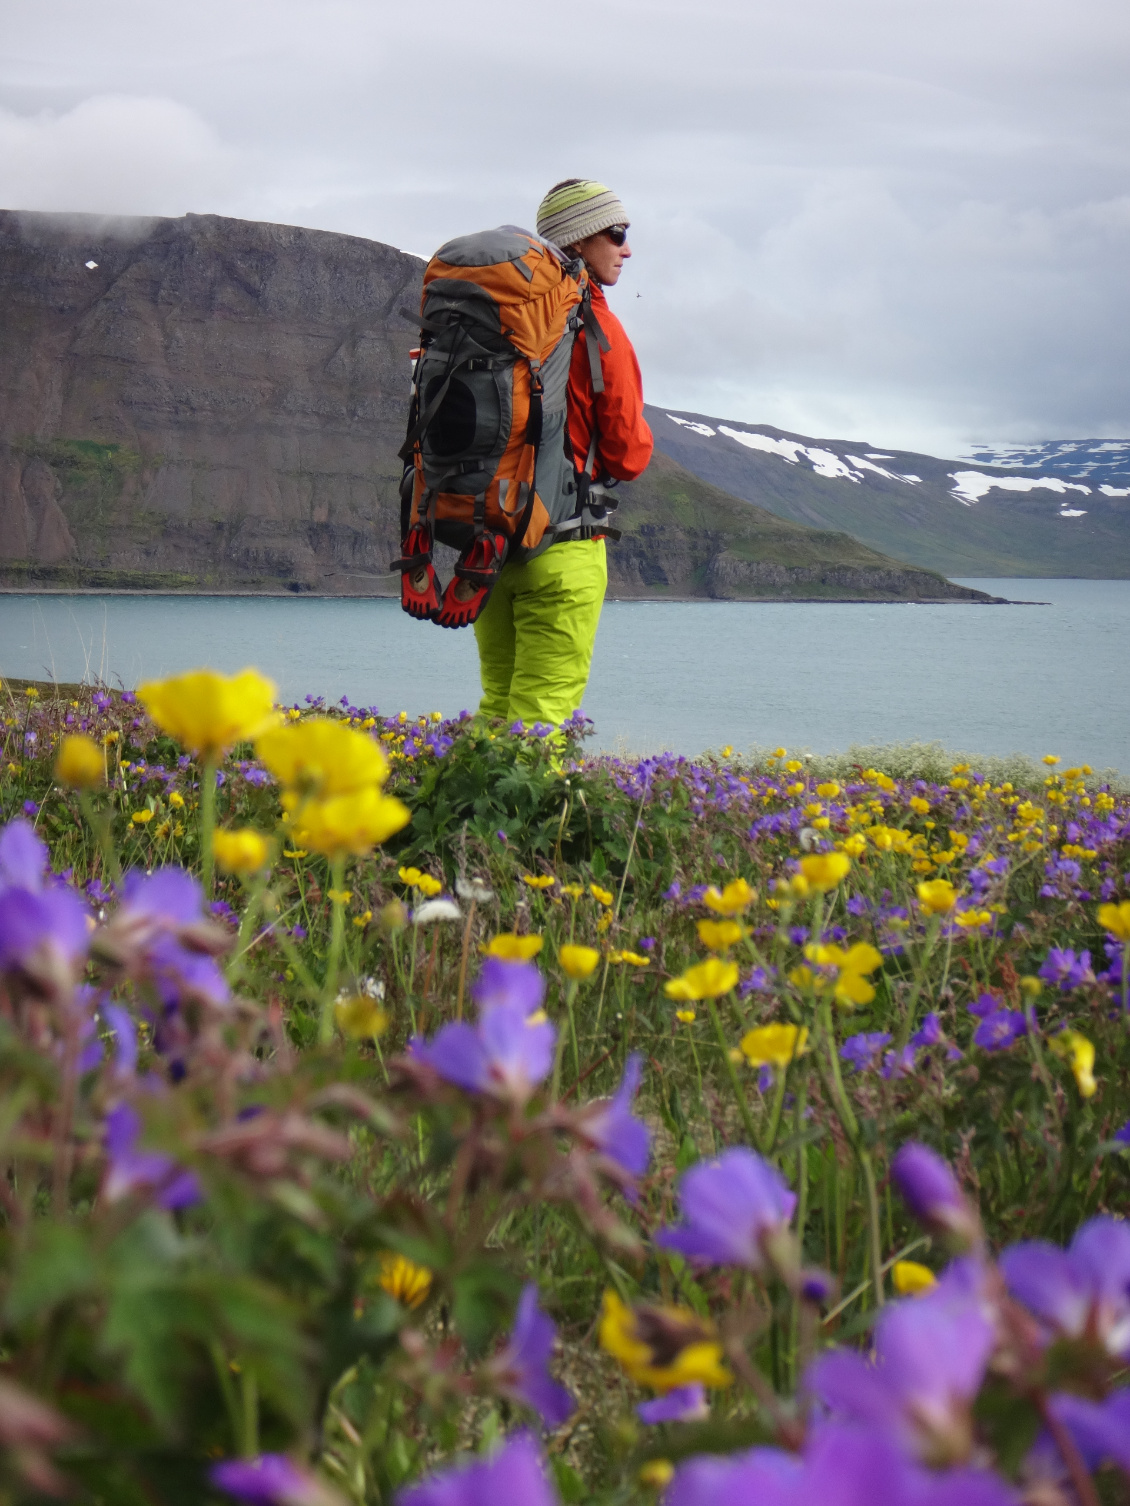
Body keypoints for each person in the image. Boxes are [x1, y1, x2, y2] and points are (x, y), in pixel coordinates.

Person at [472, 179, 653, 727]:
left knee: (497, 706)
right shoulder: (598, 329)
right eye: (615, 234)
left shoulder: (495, 322)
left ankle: (454, 787)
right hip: (563, 546)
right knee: (542, 719)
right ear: (577, 241)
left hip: (489, 543)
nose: (627, 249)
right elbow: (627, 457)